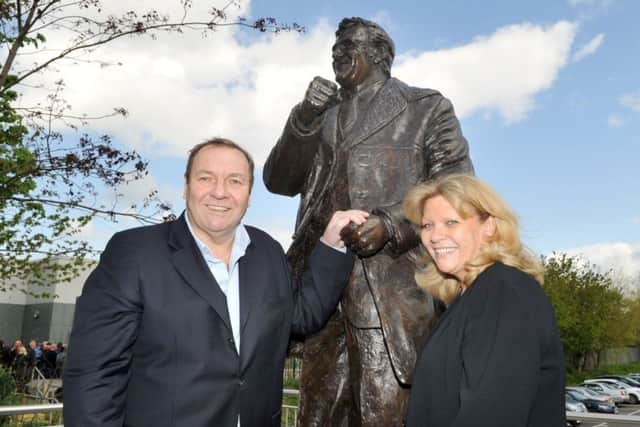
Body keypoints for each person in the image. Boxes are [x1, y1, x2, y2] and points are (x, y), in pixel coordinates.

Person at [63, 138, 367, 427]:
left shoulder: (267, 251)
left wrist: (331, 244)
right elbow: (94, 376)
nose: (220, 192)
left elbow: (303, 314)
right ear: (186, 187)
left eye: (235, 181)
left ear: (248, 195)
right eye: (206, 178)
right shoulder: (134, 254)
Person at [264, 17, 473, 426]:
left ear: (379, 54)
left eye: (349, 46)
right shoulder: (319, 115)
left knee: (383, 413)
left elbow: (456, 187)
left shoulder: (425, 108)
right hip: (320, 294)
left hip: (391, 292)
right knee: (318, 411)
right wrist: (304, 118)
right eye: (335, 48)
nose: (338, 53)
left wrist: (392, 224)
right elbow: (278, 181)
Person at [402, 174, 565, 426]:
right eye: (427, 225)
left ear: (488, 226)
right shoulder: (468, 297)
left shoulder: (503, 291)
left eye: (451, 222)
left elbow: (491, 414)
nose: (435, 236)